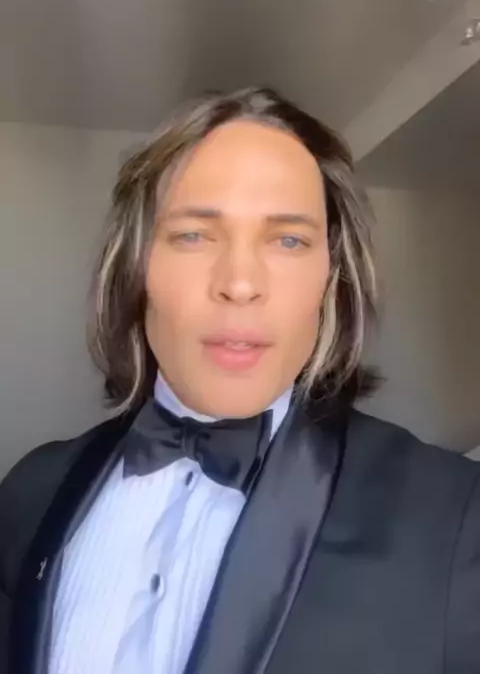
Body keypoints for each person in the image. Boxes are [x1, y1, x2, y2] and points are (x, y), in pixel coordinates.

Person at [0, 87, 479, 674]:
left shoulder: (458, 515)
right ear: (136, 265)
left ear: (331, 276)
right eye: (194, 235)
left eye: (288, 240)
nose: (241, 283)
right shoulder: (32, 491)